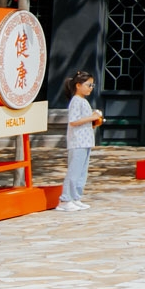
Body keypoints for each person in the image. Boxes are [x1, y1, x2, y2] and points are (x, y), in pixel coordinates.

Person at [58, 71, 100, 212]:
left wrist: (94, 120)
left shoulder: (83, 101)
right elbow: (74, 121)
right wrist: (92, 117)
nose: (91, 88)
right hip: (78, 141)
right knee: (74, 171)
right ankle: (65, 199)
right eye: (88, 85)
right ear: (78, 85)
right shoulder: (76, 101)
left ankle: (76, 197)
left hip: (86, 140)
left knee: (82, 172)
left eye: (92, 85)